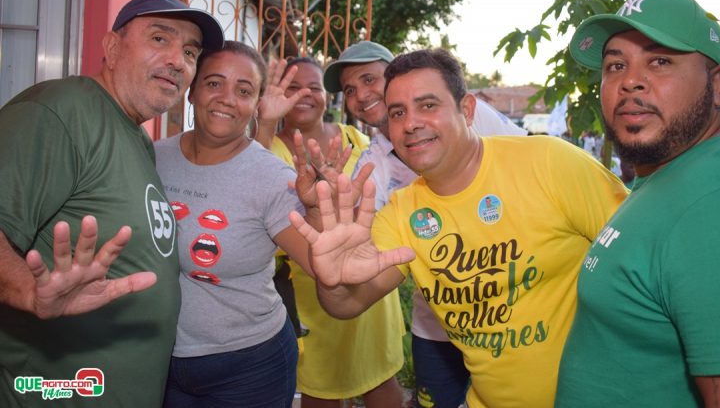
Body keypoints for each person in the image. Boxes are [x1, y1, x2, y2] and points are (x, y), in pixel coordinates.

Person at [290, 48, 629, 408]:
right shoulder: (401, 211)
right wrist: (333, 279)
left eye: (428, 106)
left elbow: (647, 256)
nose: (410, 123)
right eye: (398, 113)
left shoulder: (550, 162)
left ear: (466, 110)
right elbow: (347, 303)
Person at [0, 0, 224, 406]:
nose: (178, 60)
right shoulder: (58, 112)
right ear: (112, 48)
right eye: (160, 39)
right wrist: (30, 291)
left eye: (190, 52)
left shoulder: (137, 136)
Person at [555, 0, 720, 407]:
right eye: (615, 65)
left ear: (717, 84)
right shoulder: (675, 171)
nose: (629, 81)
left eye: (660, 61)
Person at [324, 40, 526, 408]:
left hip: (513, 318)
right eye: (350, 90)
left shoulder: (467, 116)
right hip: (437, 326)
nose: (360, 96)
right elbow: (363, 241)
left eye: (369, 80)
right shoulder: (374, 161)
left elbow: (524, 168)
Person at [155, 41, 322, 407]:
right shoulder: (153, 157)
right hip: (161, 358)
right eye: (214, 83)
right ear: (192, 92)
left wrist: (321, 211)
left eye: (243, 91)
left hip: (250, 365)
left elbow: (319, 262)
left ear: (255, 104)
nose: (228, 98)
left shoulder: (272, 177)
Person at [259, 56, 406, 408]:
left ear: (327, 96)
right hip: (312, 289)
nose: (305, 95)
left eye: (314, 86)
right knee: (320, 387)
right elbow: (249, 179)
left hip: (369, 280)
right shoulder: (269, 148)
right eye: (292, 87)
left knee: (381, 380)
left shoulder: (353, 138)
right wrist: (263, 122)